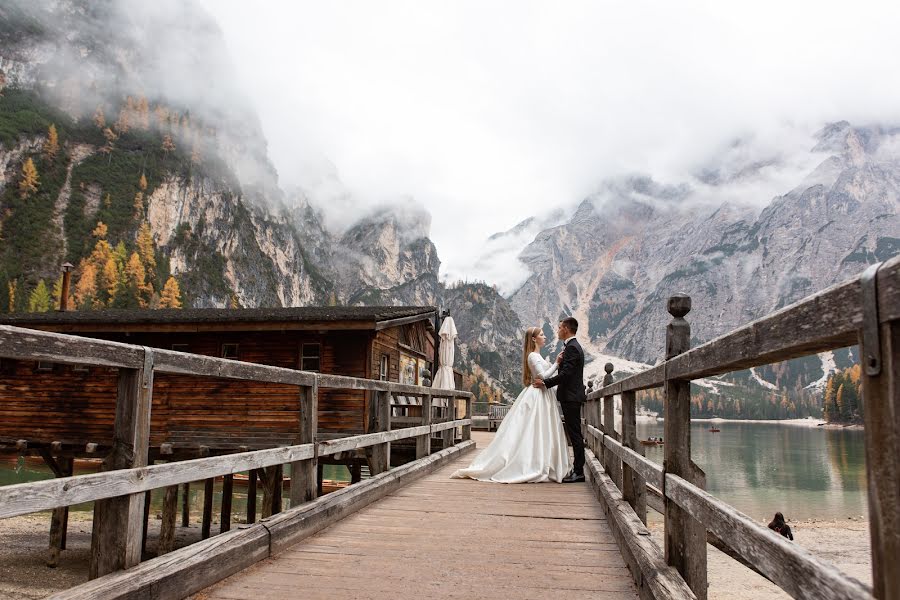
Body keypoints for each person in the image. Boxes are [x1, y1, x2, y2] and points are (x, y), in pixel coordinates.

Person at [451, 326, 572, 483]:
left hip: (543, 394)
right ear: (534, 339)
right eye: (542, 335)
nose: (545, 337)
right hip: (538, 395)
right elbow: (542, 376)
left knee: (540, 429)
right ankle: (532, 463)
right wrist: (556, 364)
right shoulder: (532, 357)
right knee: (534, 429)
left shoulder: (537, 356)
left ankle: (543, 461)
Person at [534, 317, 586, 483]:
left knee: (575, 434)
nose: (557, 330)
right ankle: (577, 470)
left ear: (566, 329)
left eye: (559, 327)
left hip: (570, 397)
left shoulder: (572, 348)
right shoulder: (572, 346)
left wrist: (545, 383)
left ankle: (579, 472)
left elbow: (566, 375)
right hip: (571, 396)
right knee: (574, 433)